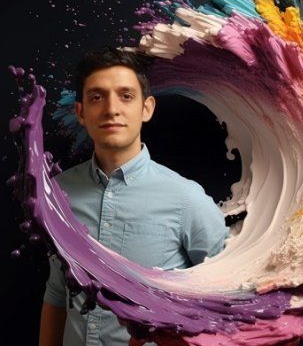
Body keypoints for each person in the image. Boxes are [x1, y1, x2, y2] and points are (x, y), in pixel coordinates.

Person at [39, 47, 229, 346]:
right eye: (97, 97)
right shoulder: (56, 192)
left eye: (126, 96)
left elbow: (228, 297)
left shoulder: (187, 199)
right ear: (81, 112)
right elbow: (57, 289)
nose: (111, 109)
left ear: (146, 108)